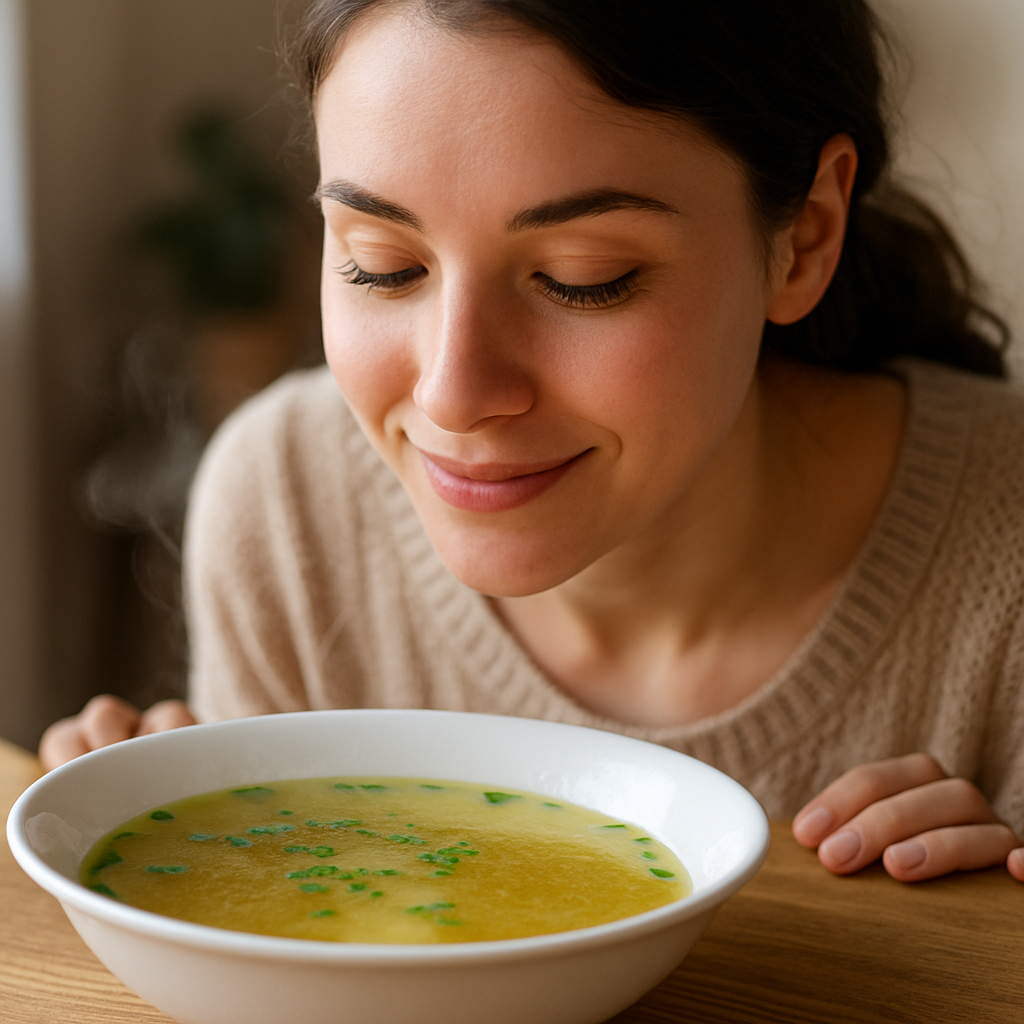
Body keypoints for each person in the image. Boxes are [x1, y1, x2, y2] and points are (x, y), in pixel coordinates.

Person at [40, 0, 1024, 886]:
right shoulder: (289, 504)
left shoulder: (1003, 561)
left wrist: (979, 948)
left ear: (804, 236)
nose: (454, 394)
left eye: (582, 278)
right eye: (380, 266)